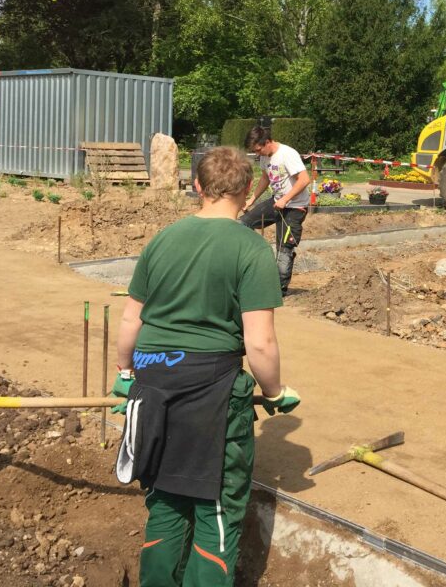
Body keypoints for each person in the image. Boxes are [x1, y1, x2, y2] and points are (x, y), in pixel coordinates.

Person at [112, 145, 300, 587]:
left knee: (165, 502)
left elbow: (130, 319)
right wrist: (273, 392)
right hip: (209, 392)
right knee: (216, 508)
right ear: (250, 189)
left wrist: (125, 375)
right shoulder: (250, 250)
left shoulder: (163, 239)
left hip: (152, 384)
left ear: (196, 186)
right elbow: (260, 341)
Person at [241, 126, 312, 296]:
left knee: (283, 249)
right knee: (243, 223)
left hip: (294, 207)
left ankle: (278, 289)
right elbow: (266, 178)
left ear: (267, 142)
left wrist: (286, 199)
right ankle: (249, 268)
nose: (257, 154)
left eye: (258, 150)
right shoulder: (265, 157)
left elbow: (304, 180)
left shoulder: (287, 154)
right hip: (276, 202)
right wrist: (252, 199)